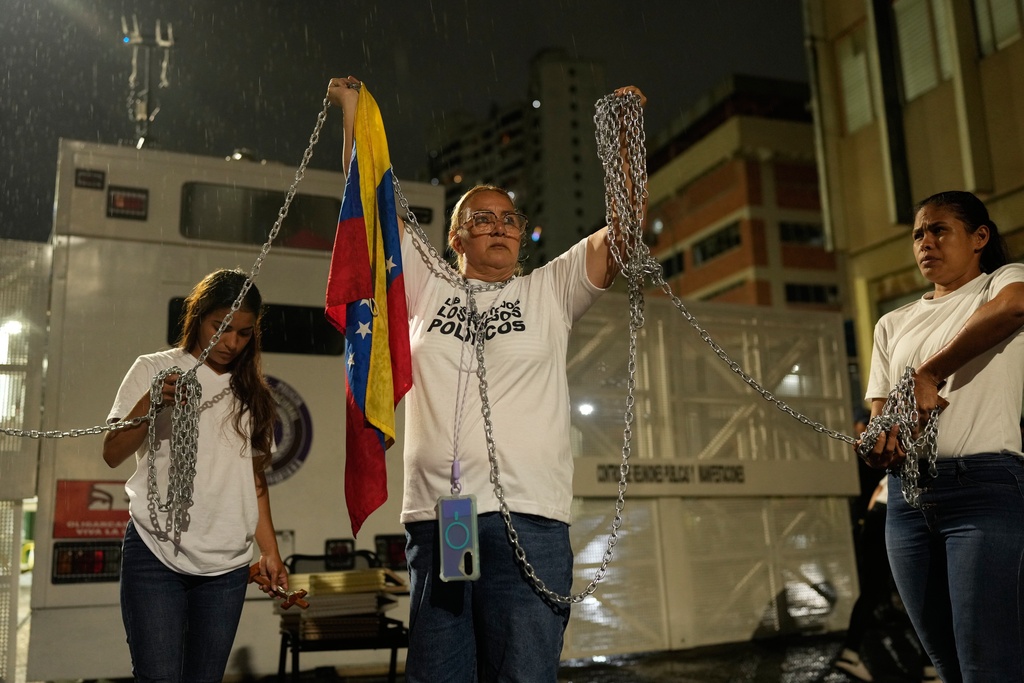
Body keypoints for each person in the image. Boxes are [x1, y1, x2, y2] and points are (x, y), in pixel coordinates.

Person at [328, 76, 645, 682]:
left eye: (508, 218)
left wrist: (627, 138)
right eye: (482, 218)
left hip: (530, 516)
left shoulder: (549, 289)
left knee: (523, 674)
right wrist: (354, 114)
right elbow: (367, 204)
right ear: (455, 236)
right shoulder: (423, 284)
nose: (499, 227)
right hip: (440, 516)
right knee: (443, 674)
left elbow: (625, 234)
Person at [860, 190, 1024, 682]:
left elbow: (1015, 310)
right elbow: (880, 416)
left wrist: (929, 372)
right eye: (917, 235)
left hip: (985, 489)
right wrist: (877, 445)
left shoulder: (1004, 282)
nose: (925, 242)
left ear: (979, 237)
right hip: (907, 504)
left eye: (938, 230)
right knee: (948, 665)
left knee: (988, 666)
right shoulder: (893, 323)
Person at [102, 269, 288, 682]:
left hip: (227, 566)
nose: (231, 343)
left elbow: (254, 483)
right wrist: (151, 402)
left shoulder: (254, 394)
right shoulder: (155, 368)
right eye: (220, 327)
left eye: (243, 333)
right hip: (155, 553)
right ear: (199, 315)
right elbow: (112, 453)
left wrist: (270, 552)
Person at [834, 476, 938, 683]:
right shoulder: (931, 459)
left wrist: (866, 523)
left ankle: (850, 652)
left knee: (873, 590)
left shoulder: (894, 469)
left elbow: (877, 492)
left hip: (876, 515)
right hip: (904, 515)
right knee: (923, 592)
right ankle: (930, 669)